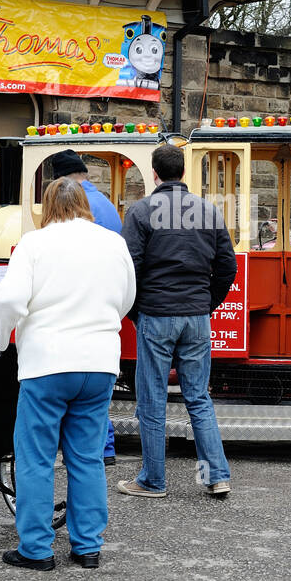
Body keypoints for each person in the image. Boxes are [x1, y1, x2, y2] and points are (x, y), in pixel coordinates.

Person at [0, 178, 136, 570]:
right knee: (86, 457)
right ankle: (87, 547)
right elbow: (126, 299)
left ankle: (36, 549)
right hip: (100, 362)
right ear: (85, 204)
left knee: (35, 458)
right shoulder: (113, 244)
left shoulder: (35, 243)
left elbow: (9, 299)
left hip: (47, 364)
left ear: (47, 206)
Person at [118, 143, 235, 499]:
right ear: (184, 173)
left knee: (152, 400)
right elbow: (227, 267)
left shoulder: (141, 211)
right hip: (196, 316)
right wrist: (206, 304)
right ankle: (216, 476)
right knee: (198, 396)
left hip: (156, 315)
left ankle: (153, 480)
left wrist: (137, 311)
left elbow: (129, 269)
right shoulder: (209, 211)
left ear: (154, 173)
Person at [49, 148, 122, 466]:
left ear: (61, 180)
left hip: (69, 312)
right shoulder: (108, 206)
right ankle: (104, 449)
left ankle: (68, 451)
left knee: (62, 393)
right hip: (103, 312)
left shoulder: (68, 207)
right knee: (95, 398)